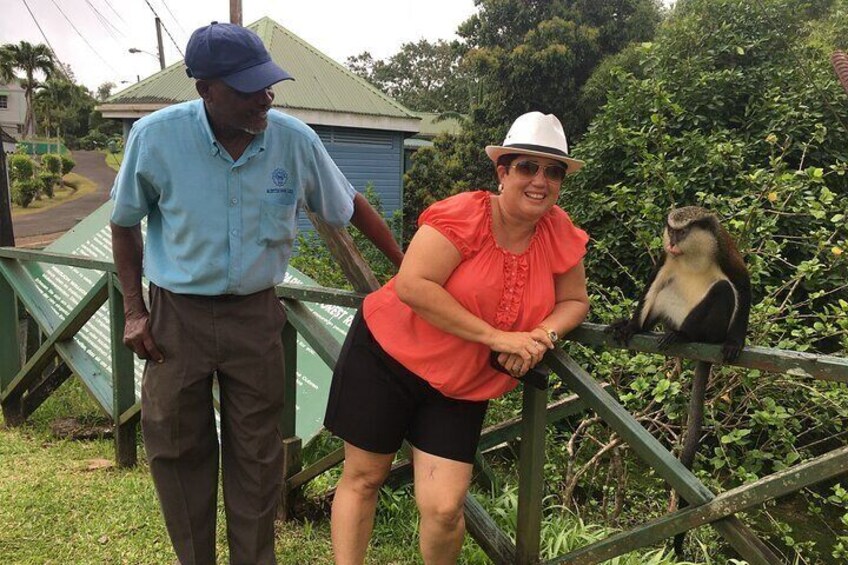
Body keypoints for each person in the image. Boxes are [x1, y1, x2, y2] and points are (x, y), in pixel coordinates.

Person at [110, 22, 403, 565]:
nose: (266, 97)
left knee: (257, 456)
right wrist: (133, 310)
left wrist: (405, 269)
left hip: (256, 316)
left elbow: (348, 205)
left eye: (269, 84)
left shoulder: (292, 139)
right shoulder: (156, 138)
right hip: (176, 317)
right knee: (176, 449)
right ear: (206, 89)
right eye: (249, 88)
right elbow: (124, 222)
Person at [324, 111, 591, 564]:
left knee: (445, 507)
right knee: (365, 477)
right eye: (526, 167)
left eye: (553, 171)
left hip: (461, 383)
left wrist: (540, 335)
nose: (540, 181)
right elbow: (412, 285)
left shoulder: (557, 230)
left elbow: (575, 302)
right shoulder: (465, 214)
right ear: (502, 172)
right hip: (388, 357)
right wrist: (498, 338)